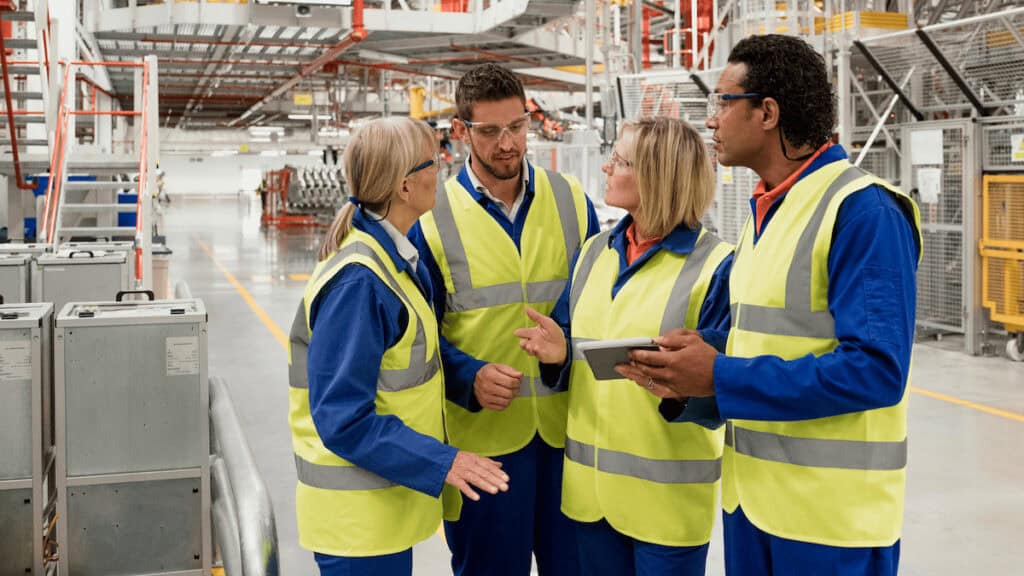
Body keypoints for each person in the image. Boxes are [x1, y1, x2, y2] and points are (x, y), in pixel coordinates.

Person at [617, 34, 922, 576]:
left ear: (767, 112)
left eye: (721, 103)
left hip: (829, 523)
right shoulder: (766, 212)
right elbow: (767, 340)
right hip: (753, 507)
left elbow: (876, 371)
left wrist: (722, 375)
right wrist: (692, 364)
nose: (710, 121)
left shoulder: (863, 212)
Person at [286, 117, 509, 576]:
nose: (443, 170)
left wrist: (470, 378)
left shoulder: (396, 259)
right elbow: (344, 418)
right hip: (358, 522)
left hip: (383, 509)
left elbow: (414, 355)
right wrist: (445, 460)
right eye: (434, 162)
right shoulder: (360, 283)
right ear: (406, 186)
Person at [515, 116, 733, 576]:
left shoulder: (716, 266)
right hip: (591, 499)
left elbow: (720, 395)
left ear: (657, 176)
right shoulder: (594, 252)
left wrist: (677, 387)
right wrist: (558, 355)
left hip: (666, 504)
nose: (607, 169)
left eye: (620, 160)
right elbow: (573, 346)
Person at [410, 63, 600, 576]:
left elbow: (594, 302)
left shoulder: (572, 201)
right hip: (484, 450)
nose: (508, 143)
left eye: (517, 127)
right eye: (490, 132)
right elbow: (417, 336)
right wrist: (469, 376)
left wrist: (564, 351)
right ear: (461, 131)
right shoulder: (431, 218)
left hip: (568, 440)